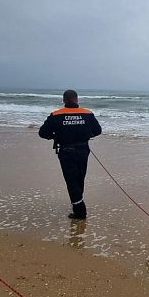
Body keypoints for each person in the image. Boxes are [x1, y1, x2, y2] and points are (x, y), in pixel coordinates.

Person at [38, 90, 102, 219]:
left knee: (71, 180)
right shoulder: (87, 113)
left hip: (66, 151)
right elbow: (98, 131)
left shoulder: (56, 115)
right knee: (79, 177)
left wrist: (55, 136)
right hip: (83, 149)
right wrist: (87, 135)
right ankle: (77, 202)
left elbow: (43, 133)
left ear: (64, 101)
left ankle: (80, 210)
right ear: (77, 100)